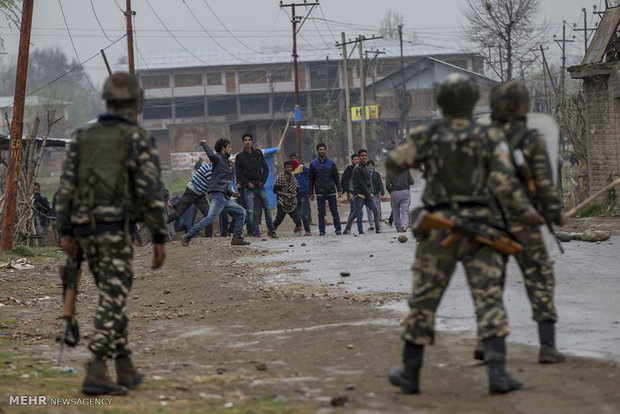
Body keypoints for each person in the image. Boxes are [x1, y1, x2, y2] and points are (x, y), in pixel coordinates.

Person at [386, 73, 543, 395]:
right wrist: (528, 214)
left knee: (424, 299)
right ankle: (498, 373)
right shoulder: (488, 136)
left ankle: (411, 373)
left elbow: (393, 163)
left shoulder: (426, 134)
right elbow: (504, 184)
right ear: (473, 101)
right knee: (489, 298)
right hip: (481, 231)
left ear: (441, 102)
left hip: (437, 229)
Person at [55, 72, 167, 396]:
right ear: (136, 103)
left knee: (110, 293)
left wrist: (65, 232)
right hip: (115, 231)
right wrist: (159, 237)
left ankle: (125, 366)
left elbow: (65, 189)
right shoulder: (137, 138)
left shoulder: (81, 137)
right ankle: (97, 367)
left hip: (84, 232)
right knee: (113, 297)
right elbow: (150, 191)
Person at [475, 80, 565, 364]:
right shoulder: (531, 137)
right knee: (539, 277)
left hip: (489, 222)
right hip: (525, 221)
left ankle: (487, 343)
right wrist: (554, 212)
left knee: (489, 283)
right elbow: (544, 181)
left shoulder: (481, 137)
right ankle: (547, 347)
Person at [182, 139, 250, 246]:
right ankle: (188, 235)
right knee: (210, 218)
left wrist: (231, 193)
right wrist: (204, 143)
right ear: (223, 148)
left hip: (223, 197)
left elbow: (222, 182)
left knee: (241, 212)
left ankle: (236, 238)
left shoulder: (225, 162)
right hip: (217, 196)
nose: (230, 149)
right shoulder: (218, 158)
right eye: (228, 147)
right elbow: (211, 155)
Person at [235, 133, 277, 238]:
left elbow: (265, 168)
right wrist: (247, 183)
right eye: (245, 140)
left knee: (267, 209)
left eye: (249, 139)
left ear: (252, 141)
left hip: (260, 186)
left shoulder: (258, 154)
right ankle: (251, 232)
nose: (248, 141)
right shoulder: (239, 157)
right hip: (249, 188)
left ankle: (271, 231)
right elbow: (238, 174)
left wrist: (262, 181)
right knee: (250, 211)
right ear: (243, 142)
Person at [166, 161, 213, 237]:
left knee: (209, 215)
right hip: (191, 192)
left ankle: (209, 236)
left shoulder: (216, 172)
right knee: (178, 213)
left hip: (200, 195)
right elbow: (213, 184)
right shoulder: (208, 168)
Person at [343, 149, 380, 234]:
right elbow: (361, 184)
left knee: (376, 210)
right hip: (359, 195)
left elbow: (367, 182)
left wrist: (370, 191)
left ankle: (378, 228)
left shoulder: (365, 167)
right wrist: (368, 193)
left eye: (365, 155)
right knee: (355, 213)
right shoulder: (357, 169)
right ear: (359, 157)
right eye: (362, 156)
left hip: (367, 195)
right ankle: (347, 229)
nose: (364, 157)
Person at [308, 142, 342, 236]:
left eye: (323, 149)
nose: (322, 151)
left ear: (326, 150)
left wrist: (339, 189)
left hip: (331, 191)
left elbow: (336, 176)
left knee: (334, 211)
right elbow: (311, 179)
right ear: (317, 151)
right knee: (321, 213)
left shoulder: (331, 162)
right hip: (319, 192)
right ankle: (322, 231)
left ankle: (338, 229)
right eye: (320, 150)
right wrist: (310, 192)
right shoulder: (313, 164)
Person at [272, 161, 303, 234]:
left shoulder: (293, 177)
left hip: (292, 202)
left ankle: (298, 229)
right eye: (287, 167)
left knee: (298, 220)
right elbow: (275, 190)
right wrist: (285, 194)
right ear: (284, 168)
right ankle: (271, 231)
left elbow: (297, 188)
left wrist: (294, 194)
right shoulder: (280, 177)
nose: (289, 169)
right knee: (279, 219)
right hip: (282, 202)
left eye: (290, 167)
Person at [341, 153, 364, 234]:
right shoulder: (349, 169)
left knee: (353, 211)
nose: (357, 161)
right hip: (352, 193)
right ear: (352, 161)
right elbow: (346, 181)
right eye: (355, 160)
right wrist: (349, 192)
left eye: (358, 159)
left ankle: (348, 229)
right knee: (358, 211)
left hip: (360, 193)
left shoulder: (361, 169)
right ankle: (359, 230)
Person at [289, 154, 311, 236]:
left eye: (294, 159)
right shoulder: (290, 171)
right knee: (296, 213)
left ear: (297, 159)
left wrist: (309, 187)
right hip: (295, 195)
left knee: (302, 213)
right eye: (291, 159)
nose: (293, 161)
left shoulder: (302, 167)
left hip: (304, 193)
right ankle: (298, 225)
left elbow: (311, 175)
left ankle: (307, 230)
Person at [364, 160, 385, 231]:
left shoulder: (377, 174)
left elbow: (380, 184)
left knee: (377, 209)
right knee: (369, 210)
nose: (370, 167)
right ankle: (371, 225)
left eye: (371, 165)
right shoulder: (365, 174)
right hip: (367, 195)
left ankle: (377, 223)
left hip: (376, 194)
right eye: (369, 165)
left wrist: (382, 192)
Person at [32, 182, 51, 247]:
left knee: (43, 239)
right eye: (34, 189)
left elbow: (48, 210)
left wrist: (46, 220)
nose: (35, 191)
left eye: (37, 189)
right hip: (33, 222)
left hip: (42, 221)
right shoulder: (30, 199)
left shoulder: (43, 199)